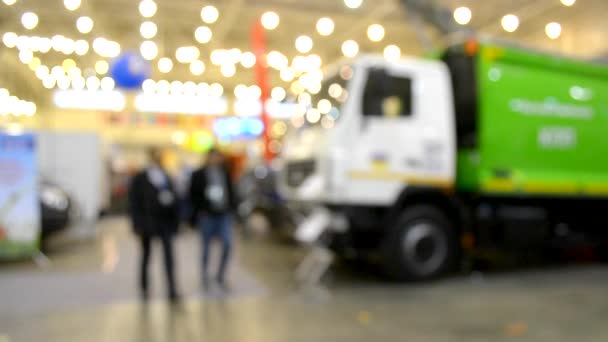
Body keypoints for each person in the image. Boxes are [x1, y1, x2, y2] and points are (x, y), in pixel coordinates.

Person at [128, 147, 180, 303]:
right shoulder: (141, 178)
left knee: (169, 257)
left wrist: (176, 221)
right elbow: (134, 202)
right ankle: (144, 288)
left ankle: (172, 289)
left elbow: (174, 200)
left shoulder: (166, 176)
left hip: (165, 222)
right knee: (146, 256)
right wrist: (137, 223)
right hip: (147, 223)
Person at [189, 148, 238, 290]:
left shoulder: (225, 173)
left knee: (227, 244)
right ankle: (204, 275)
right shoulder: (199, 174)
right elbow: (192, 195)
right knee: (205, 247)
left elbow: (231, 192)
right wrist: (197, 213)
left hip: (223, 214)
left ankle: (220, 275)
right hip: (207, 215)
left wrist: (232, 210)